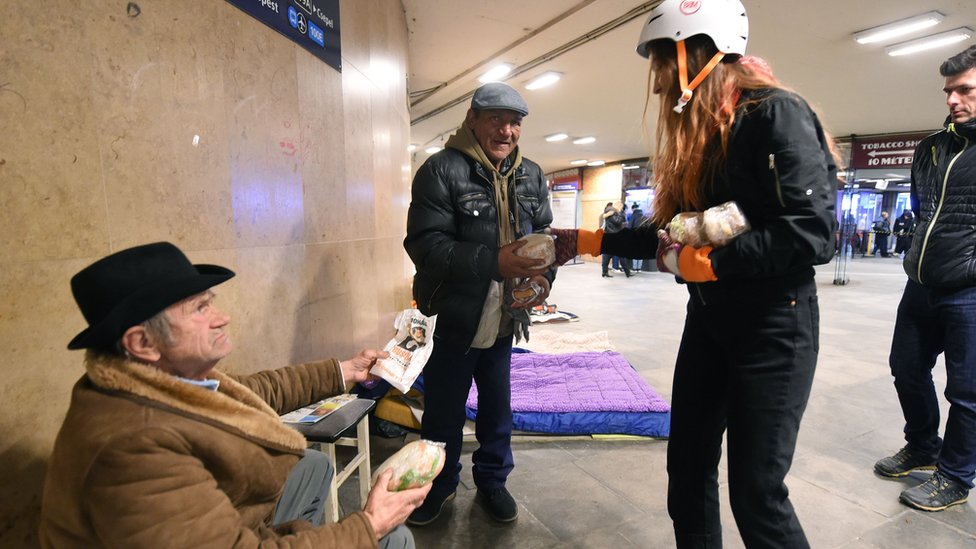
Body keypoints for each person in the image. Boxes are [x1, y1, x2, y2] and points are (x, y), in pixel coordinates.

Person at [550, 1, 837, 546]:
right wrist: (586, 241)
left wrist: (711, 265)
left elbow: (812, 231)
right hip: (709, 324)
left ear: (692, 56)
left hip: (775, 329)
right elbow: (670, 230)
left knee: (756, 493)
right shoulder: (703, 134)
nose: (657, 85)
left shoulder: (776, 114)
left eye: (661, 63)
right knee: (686, 470)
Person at [39, 242, 428, 548]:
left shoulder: (154, 377)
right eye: (199, 309)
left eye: (212, 302)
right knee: (393, 539)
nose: (220, 317)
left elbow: (251, 391)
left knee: (311, 465)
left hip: (229, 520)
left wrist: (342, 371)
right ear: (142, 342)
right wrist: (369, 525)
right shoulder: (131, 452)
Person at [403, 82, 555, 526]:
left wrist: (543, 277)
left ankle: (492, 481)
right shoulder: (440, 170)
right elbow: (426, 246)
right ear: (472, 118)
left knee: (497, 407)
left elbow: (545, 236)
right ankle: (439, 485)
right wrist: (496, 262)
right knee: (443, 414)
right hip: (453, 316)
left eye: (515, 122)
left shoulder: (532, 174)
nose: (507, 130)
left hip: (507, 317)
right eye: (496, 119)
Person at [874, 44, 976, 512]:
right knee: (907, 368)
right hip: (921, 283)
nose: (954, 99)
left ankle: (954, 476)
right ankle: (922, 446)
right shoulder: (931, 148)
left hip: (970, 293)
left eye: (966, 90)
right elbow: (921, 212)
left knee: (968, 393)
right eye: (949, 91)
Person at [601, 201, 632, 278]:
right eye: (621, 206)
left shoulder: (611, 212)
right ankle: (627, 273)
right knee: (620, 255)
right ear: (618, 206)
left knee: (607, 255)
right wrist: (621, 214)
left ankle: (605, 272)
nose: (622, 208)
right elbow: (617, 222)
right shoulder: (612, 212)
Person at [630, 202, 647, 271]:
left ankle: (634, 268)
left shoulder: (633, 215)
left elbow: (630, 225)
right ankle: (639, 268)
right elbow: (647, 225)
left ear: (633, 209)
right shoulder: (643, 215)